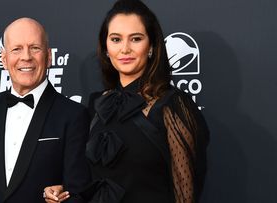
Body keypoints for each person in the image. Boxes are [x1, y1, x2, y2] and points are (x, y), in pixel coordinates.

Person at [44, 0, 209, 202]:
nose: (125, 49)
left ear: (152, 46)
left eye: (136, 39)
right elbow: (91, 179)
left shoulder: (172, 105)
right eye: (116, 39)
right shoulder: (98, 105)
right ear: (105, 47)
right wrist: (64, 190)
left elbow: (186, 193)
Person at [0, 17, 90, 203]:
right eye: (17, 49)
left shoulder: (73, 115)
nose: (26, 57)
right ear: (4, 59)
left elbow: (79, 192)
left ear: (49, 57)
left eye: (35, 48)